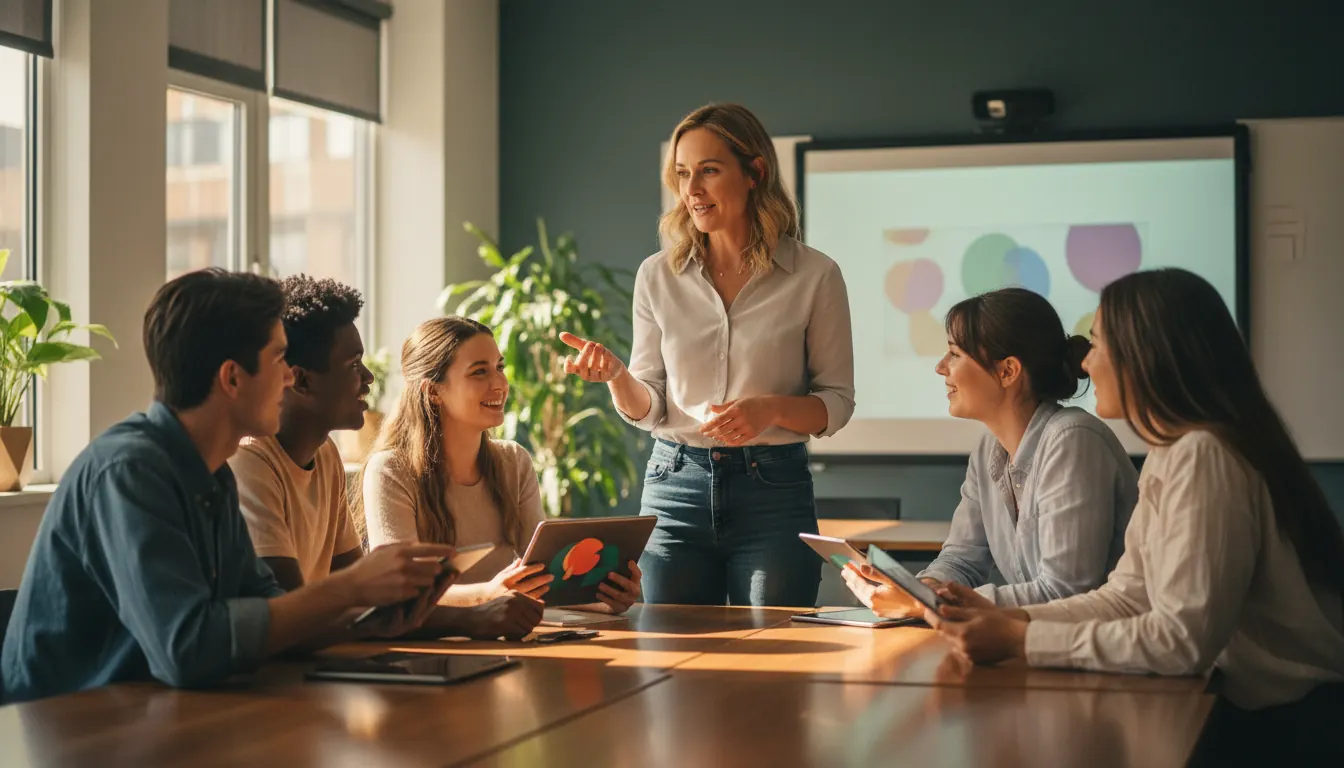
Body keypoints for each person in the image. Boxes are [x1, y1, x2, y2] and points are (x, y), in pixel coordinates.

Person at [929, 269, 1344, 761]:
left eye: (1099, 343)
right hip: (1249, 709)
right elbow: (1128, 595)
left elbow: (1179, 642)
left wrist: (1023, 638)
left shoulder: (1203, 455)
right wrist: (1010, 616)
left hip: (1290, 727)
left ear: (1148, 355)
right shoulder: (1175, 452)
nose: (1084, 360)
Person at [1, 269, 454, 704]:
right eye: (279, 358)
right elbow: (188, 648)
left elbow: (271, 611)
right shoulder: (130, 471)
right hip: (63, 732)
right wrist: (351, 589)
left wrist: (371, 622)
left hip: (152, 717)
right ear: (233, 378)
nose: (291, 377)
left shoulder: (210, 473)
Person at [557, 103, 855, 607]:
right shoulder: (657, 275)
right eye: (682, 174)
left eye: (709, 171)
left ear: (755, 171)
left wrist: (771, 409)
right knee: (670, 666)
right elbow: (650, 406)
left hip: (774, 491)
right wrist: (616, 376)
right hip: (675, 489)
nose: (691, 189)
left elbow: (837, 402)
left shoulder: (815, 275)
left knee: (777, 661)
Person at [229, 276, 537, 639]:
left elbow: (375, 603)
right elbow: (295, 610)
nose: (370, 377)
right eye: (353, 364)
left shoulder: (325, 456)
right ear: (303, 381)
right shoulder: (250, 461)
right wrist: (473, 617)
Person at [842, 288, 1138, 616]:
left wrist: (930, 605)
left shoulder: (1073, 440)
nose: (941, 367)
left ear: (1008, 371)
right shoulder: (988, 450)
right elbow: (961, 560)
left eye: (954, 354)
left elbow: (1065, 591)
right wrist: (919, 589)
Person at [357, 316, 641, 617]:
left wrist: (602, 597)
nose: (500, 384)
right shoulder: (390, 470)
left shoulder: (513, 461)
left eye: (500, 368)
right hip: (432, 650)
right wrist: (488, 594)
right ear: (434, 392)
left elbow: (543, 578)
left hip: (506, 636)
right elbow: (402, 590)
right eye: (480, 372)